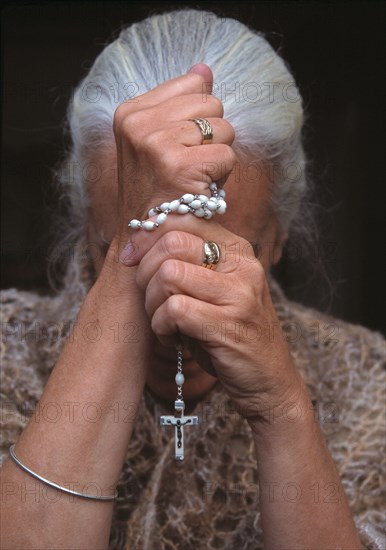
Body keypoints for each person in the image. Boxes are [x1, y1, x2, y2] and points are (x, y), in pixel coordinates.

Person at [1, 9, 384, 549]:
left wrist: (282, 411)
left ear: (277, 236)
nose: (173, 303)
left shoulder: (369, 387)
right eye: (125, 248)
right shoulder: (6, 353)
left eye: (218, 257)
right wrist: (120, 295)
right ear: (85, 222)